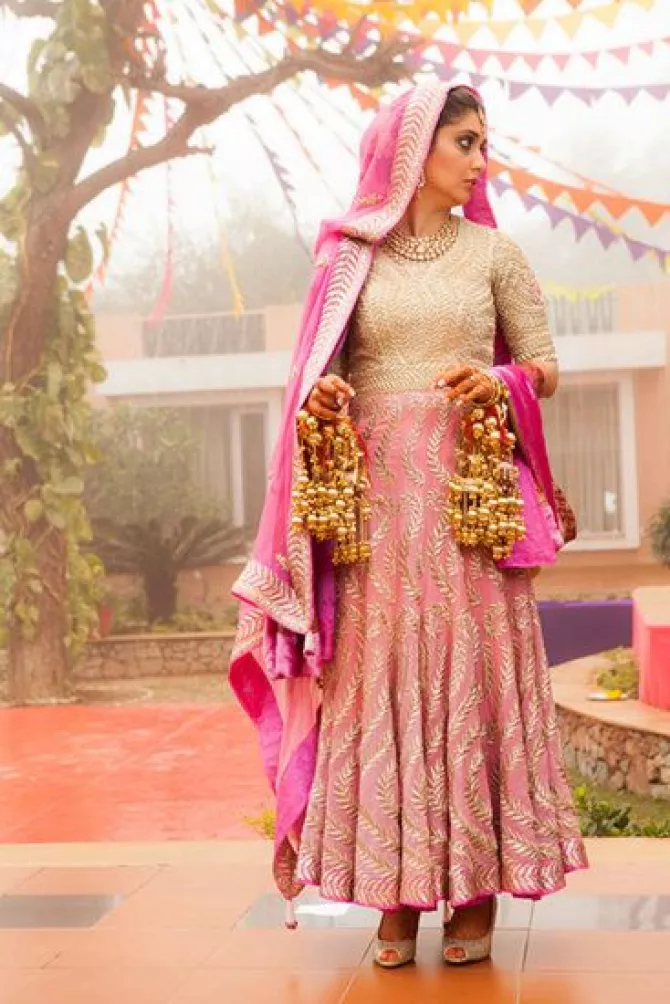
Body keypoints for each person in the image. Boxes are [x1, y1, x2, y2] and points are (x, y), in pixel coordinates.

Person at [230, 81, 588, 970]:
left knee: (470, 678)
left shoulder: (496, 254)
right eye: (464, 142)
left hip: (469, 506)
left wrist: (498, 382)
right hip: (379, 515)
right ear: (412, 150)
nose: (480, 160)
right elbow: (318, 372)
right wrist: (326, 395)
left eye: (483, 144)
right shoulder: (350, 260)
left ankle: (475, 890)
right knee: (380, 681)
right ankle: (394, 890)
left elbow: (543, 365)